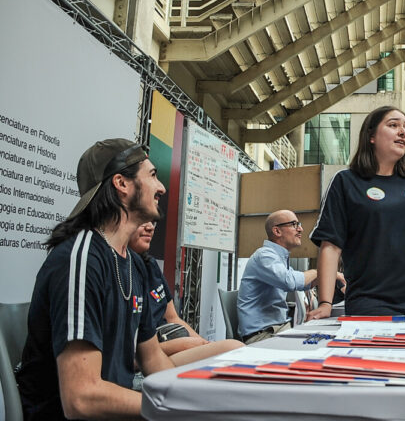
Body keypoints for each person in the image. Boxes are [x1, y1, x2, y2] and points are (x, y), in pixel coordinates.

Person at [16, 139, 174, 420]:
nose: (161, 187)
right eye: (152, 175)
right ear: (121, 184)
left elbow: (153, 360)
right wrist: (174, 408)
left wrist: (195, 398)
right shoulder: (81, 259)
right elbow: (82, 398)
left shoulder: (134, 264)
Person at [308, 106, 405, 318]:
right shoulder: (346, 182)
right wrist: (325, 302)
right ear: (371, 136)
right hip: (370, 303)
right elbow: (330, 246)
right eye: (393, 125)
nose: (403, 132)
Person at [130, 221, 243, 364]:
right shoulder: (113, 269)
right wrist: (180, 345)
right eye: (140, 219)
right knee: (232, 348)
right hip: (149, 356)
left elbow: (172, 317)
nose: (150, 227)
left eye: (152, 221)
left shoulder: (149, 265)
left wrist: (203, 344)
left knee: (233, 349)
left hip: (165, 346)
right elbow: (129, 355)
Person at [238, 210, 332, 343]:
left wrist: (333, 275)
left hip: (278, 329)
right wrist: (319, 271)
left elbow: (305, 283)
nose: (300, 229)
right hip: (263, 335)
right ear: (277, 231)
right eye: (294, 224)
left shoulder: (278, 257)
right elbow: (290, 282)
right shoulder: (264, 256)